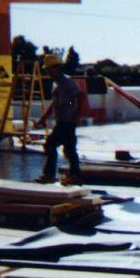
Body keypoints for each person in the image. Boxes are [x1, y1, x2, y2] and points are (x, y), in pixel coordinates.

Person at [35, 52, 84, 185]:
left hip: (67, 121)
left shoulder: (67, 82)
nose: (48, 72)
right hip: (63, 120)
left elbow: (81, 96)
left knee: (50, 144)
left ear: (56, 68)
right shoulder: (56, 84)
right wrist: (43, 118)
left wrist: (77, 117)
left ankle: (50, 175)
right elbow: (54, 103)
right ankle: (75, 176)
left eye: (49, 69)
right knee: (69, 149)